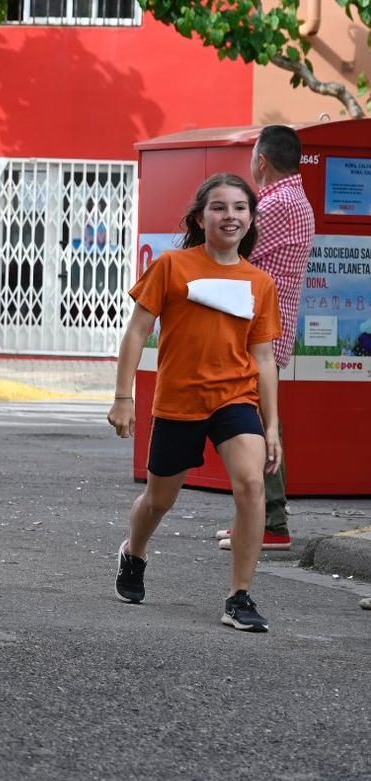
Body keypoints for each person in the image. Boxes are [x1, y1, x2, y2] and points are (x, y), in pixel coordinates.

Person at [108, 173, 281, 633]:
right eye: (220, 207)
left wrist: (272, 426)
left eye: (240, 208)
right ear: (201, 217)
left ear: (250, 218)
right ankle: (134, 552)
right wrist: (123, 397)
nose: (230, 216)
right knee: (159, 499)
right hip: (180, 400)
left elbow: (263, 357)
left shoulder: (259, 282)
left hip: (235, 399)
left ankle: (239, 596)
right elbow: (137, 332)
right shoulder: (172, 266)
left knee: (250, 486)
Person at [210, 125, 313, 555]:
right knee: (256, 415)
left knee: (254, 422)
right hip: (267, 326)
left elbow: (233, 250)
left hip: (256, 329)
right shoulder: (295, 200)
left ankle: (270, 521)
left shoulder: (276, 204)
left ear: (262, 161)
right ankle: (258, 518)